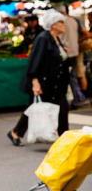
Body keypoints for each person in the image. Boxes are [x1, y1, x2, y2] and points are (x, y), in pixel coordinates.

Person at [8, 10, 70, 146]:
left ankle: (17, 132)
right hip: (44, 82)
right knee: (38, 107)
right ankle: (63, 139)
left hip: (56, 82)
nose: (63, 24)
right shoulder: (43, 38)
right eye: (60, 22)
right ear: (53, 24)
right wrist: (35, 82)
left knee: (57, 108)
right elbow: (35, 61)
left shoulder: (57, 39)